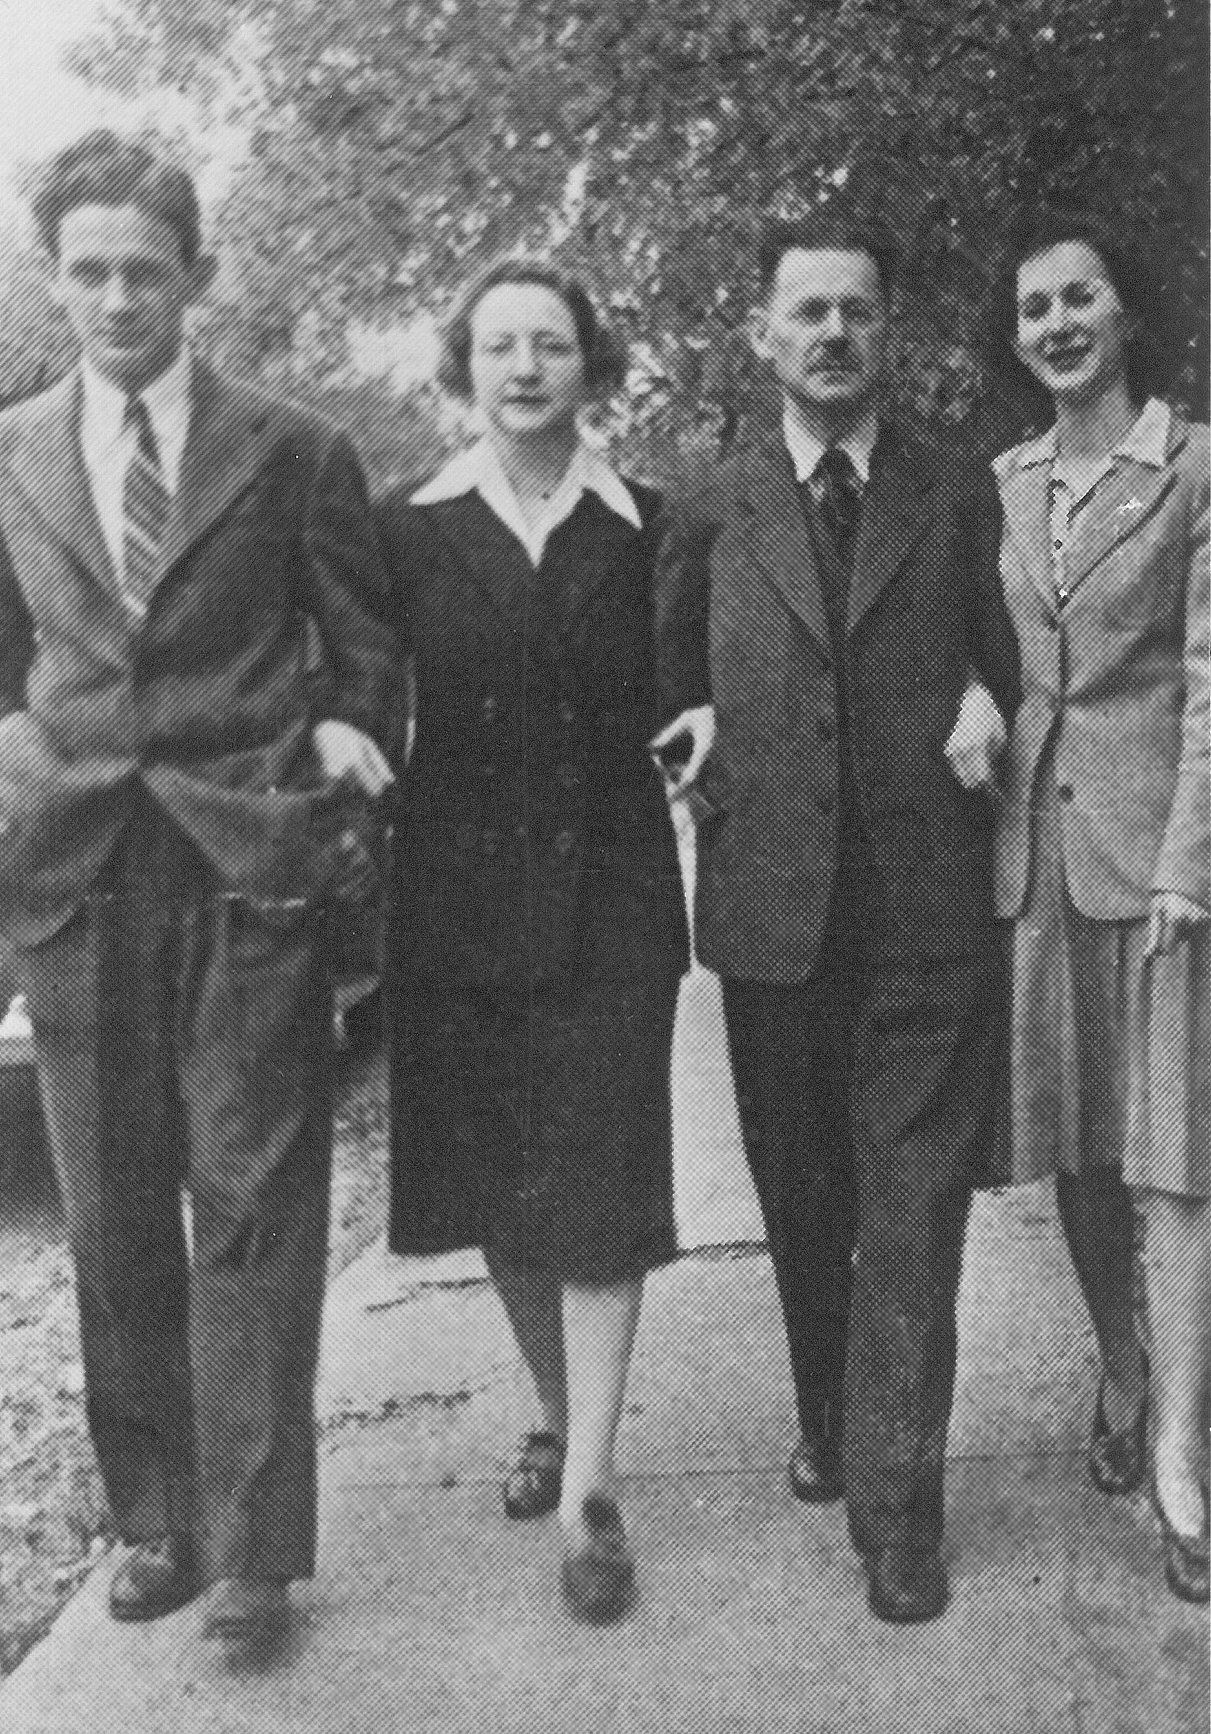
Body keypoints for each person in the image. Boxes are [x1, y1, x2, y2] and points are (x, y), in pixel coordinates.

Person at [0, 132, 395, 1643]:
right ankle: (153, 1517)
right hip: (75, 871)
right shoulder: (12, 449)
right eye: (89, 271)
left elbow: (365, 651)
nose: (117, 299)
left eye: (144, 271)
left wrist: (347, 750)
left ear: (196, 278)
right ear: (56, 279)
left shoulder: (291, 448)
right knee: (110, 1217)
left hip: (246, 868)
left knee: (253, 1204)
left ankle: (251, 1554)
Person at [654, 211, 1020, 1622]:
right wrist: (682, 716)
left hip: (927, 914)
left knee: (915, 1210)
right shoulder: (707, 507)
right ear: (765, 334)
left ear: (890, 330)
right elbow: (664, 675)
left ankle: (900, 1505)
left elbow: (1011, 659)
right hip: (773, 922)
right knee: (808, 1204)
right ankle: (830, 1407)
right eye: (806, 311)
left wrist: (996, 695)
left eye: (857, 311)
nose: (832, 334)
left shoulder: (958, 495)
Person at [375, 260, 690, 1622]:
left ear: (589, 364)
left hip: (615, 901)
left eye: (549, 344)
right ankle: (561, 1413)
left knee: (604, 1187)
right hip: (455, 906)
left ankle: (592, 1493)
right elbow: (354, 681)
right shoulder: (407, 531)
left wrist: (711, 718)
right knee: (503, 1195)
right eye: (497, 345)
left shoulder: (653, 526)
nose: (522, 368)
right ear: (464, 366)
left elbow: (702, 677)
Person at [990, 208, 1209, 1603]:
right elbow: (983, 654)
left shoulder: (1191, 468)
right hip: (1030, 867)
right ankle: (1122, 1374)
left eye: (1082, 298)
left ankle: (1185, 1449)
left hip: (1162, 869)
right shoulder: (1002, 484)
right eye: (1033, 309)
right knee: (1073, 1145)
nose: (1059, 324)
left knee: (1177, 1159)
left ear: (1128, 315)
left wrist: (1197, 850)